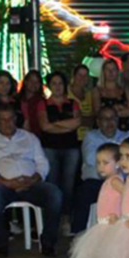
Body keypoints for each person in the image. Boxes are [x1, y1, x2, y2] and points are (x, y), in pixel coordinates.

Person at [0, 104, 62, 257]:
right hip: (4, 186)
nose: (7, 123)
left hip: (31, 184)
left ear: (16, 119)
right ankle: (1, 244)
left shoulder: (30, 138)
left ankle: (48, 243)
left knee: (55, 194)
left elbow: (42, 162)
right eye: (2, 120)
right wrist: (7, 182)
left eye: (10, 119)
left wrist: (34, 178)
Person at [69, 143, 126, 258]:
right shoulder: (108, 181)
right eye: (98, 163)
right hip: (103, 228)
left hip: (112, 230)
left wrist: (120, 216)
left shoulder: (116, 181)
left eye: (105, 162)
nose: (100, 167)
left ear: (117, 163)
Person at [38, 71, 82, 234]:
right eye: (54, 83)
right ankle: (52, 219)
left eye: (60, 83)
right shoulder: (43, 104)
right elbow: (44, 126)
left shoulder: (73, 102)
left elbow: (77, 122)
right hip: (50, 148)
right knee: (53, 183)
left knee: (68, 185)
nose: (57, 86)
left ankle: (66, 218)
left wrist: (55, 124)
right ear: (49, 85)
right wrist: (66, 125)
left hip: (71, 148)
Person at [73, 107, 126, 231]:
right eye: (105, 119)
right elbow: (91, 159)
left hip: (121, 181)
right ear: (98, 122)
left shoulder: (127, 136)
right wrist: (117, 153)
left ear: (118, 120)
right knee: (83, 193)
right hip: (96, 181)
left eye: (113, 118)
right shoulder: (90, 137)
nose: (109, 122)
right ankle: (78, 233)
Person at [92, 60, 129, 132]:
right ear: (103, 72)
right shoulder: (97, 90)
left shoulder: (126, 89)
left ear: (117, 71)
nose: (110, 72)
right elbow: (97, 112)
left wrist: (110, 113)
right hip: (104, 130)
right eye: (107, 69)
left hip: (124, 128)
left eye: (113, 69)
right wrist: (119, 110)